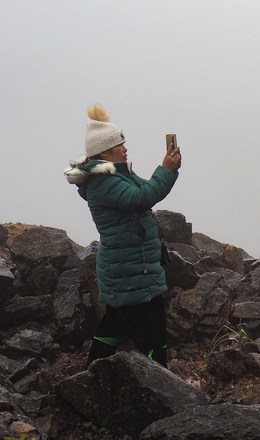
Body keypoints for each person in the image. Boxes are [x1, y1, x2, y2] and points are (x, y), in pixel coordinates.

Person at [64, 105, 182, 367]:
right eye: (120, 144)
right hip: (129, 267)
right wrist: (167, 169)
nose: (125, 148)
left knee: (115, 323)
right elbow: (142, 198)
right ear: (105, 151)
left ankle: (93, 375)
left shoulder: (116, 175)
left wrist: (166, 170)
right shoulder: (103, 182)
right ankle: (159, 384)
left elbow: (145, 188)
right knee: (153, 328)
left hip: (130, 265)